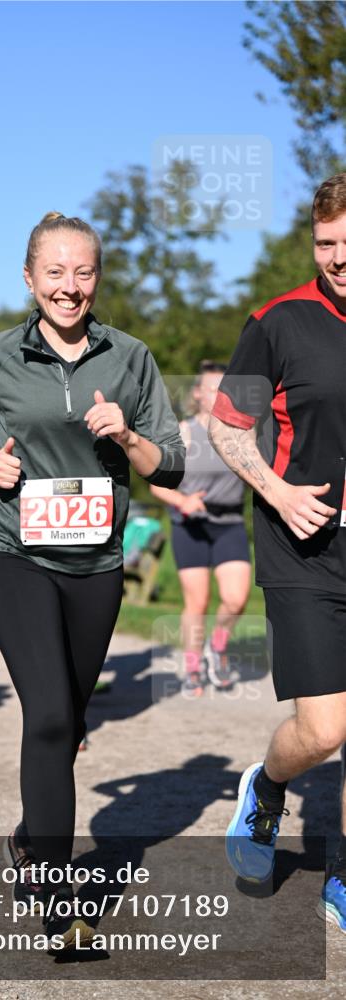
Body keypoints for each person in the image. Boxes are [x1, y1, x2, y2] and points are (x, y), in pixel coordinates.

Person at [0, 212, 184, 948]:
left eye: (82, 273)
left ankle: (29, 837)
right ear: (28, 278)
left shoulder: (130, 358)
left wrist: (127, 435)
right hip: (13, 551)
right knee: (46, 716)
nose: (69, 288)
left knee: (68, 725)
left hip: (95, 565)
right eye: (54, 272)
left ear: (96, 278)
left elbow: (167, 463)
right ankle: (56, 891)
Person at [210, 174, 346, 931]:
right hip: (305, 545)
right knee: (325, 731)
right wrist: (279, 491)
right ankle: (265, 788)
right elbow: (226, 426)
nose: (335, 258)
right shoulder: (277, 320)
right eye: (324, 244)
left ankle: (341, 875)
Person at [150, 361, 251, 697]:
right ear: (197, 393)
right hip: (190, 523)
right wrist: (182, 502)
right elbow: (156, 484)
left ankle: (216, 649)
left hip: (230, 522)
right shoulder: (183, 432)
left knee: (236, 600)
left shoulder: (242, 433)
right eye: (211, 389)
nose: (218, 395)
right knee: (198, 600)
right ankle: (193, 665)